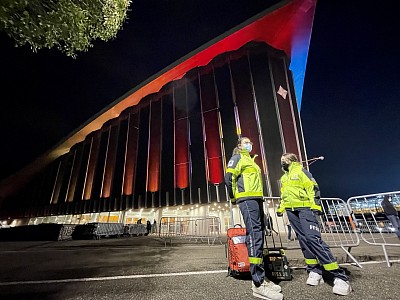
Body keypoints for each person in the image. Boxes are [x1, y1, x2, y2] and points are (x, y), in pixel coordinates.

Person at [277, 153, 352, 296]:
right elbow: (284, 195)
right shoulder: (284, 178)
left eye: (284, 160)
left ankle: (339, 276)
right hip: (291, 212)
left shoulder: (302, 172)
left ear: (292, 160)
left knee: (313, 239)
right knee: (304, 240)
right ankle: (314, 270)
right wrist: (281, 208)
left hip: (305, 209)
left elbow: (314, 188)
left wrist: (316, 206)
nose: (282, 162)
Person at [225, 136, 283, 300]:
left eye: (250, 142)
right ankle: (257, 284)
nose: (250, 144)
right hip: (247, 199)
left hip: (257, 199)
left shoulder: (251, 161)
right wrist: (234, 197)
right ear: (239, 145)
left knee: (260, 234)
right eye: (246, 142)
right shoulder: (237, 158)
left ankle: (261, 277)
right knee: (255, 235)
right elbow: (228, 179)